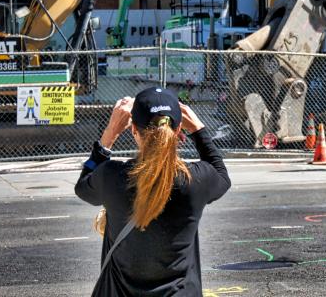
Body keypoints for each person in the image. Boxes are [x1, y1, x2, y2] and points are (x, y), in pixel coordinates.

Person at [75, 87, 231, 296]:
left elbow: (83, 187)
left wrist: (110, 134)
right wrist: (198, 130)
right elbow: (221, 175)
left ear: (133, 130)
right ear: (178, 131)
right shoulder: (194, 179)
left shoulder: (111, 176)